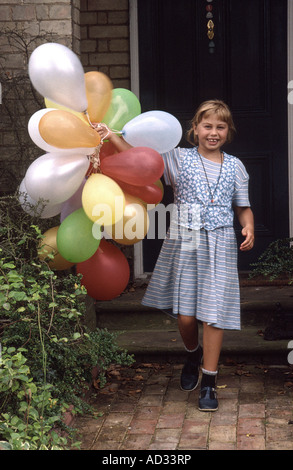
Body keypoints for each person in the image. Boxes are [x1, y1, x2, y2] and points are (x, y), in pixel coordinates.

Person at [96, 100, 254, 412]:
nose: (213, 132)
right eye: (207, 126)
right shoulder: (176, 158)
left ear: (228, 132)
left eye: (220, 127)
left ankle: (209, 381)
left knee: (213, 314)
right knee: (186, 317)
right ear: (194, 129)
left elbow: (242, 205)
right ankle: (192, 353)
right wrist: (111, 134)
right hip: (186, 239)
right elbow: (136, 160)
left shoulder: (236, 166)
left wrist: (248, 226)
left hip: (221, 240)